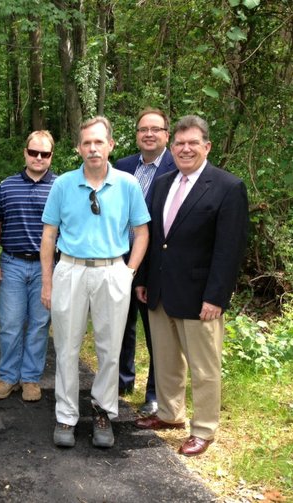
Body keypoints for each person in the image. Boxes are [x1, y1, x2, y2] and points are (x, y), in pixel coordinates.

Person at [134, 115, 248, 456]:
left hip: (201, 297)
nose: (185, 149)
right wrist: (143, 279)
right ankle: (170, 414)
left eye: (192, 143)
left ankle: (204, 429)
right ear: (173, 147)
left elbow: (229, 250)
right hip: (160, 291)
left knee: (203, 366)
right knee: (166, 360)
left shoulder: (228, 187)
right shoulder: (164, 181)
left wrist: (216, 296)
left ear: (206, 146)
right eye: (180, 144)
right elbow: (153, 238)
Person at [40, 116, 150, 448]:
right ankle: (66, 415)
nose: (92, 148)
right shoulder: (62, 185)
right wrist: (47, 282)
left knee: (110, 348)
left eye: (99, 142)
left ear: (111, 145)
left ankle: (103, 412)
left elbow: (142, 232)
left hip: (112, 271)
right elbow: (48, 235)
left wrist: (128, 272)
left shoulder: (128, 184)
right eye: (86, 143)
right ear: (78, 148)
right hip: (70, 270)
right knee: (67, 347)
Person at [0, 131, 58, 402]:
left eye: (45, 154)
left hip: (46, 267)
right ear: (25, 153)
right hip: (12, 263)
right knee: (10, 324)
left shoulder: (61, 187)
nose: (38, 158)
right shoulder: (6, 186)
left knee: (39, 324)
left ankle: (30, 379)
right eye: (34, 152)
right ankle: (8, 377)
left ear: (51, 156)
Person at [115, 108, 177, 416]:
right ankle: (122, 381)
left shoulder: (176, 167)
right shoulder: (123, 166)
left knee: (156, 331)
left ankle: (154, 393)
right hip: (118, 260)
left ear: (167, 134)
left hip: (155, 264)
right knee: (119, 325)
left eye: (155, 129)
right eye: (143, 129)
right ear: (137, 135)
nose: (148, 134)